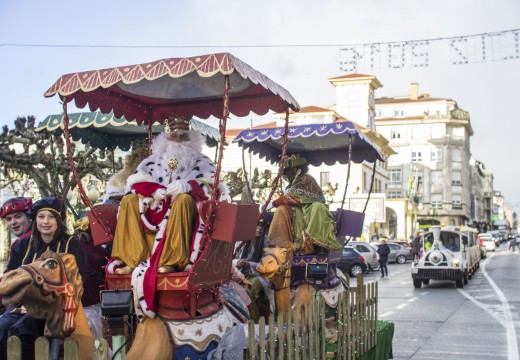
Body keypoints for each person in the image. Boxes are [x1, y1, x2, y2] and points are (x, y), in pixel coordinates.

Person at [107, 116, 228, 318]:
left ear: (192, 139)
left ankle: (172, 260)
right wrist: (153, 190)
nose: (178, 140)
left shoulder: (202, 162)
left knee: (182, 200)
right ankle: (131, 258)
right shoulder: (151, 162)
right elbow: (134, 182)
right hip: (154, 209)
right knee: (128, 201)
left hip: (185, 214)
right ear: (165, 139)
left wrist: (191, 186)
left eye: (183, 136)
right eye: (174, 136)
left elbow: (217, 188)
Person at [0, 197, 86, 360]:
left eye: (51, 217)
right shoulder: (23, 245)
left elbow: (77, 283)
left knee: (21, 330)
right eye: (41, 217)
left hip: (54, 309)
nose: (46, 222)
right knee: (3, 326)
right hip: (21, 307)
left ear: (59, 220)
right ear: (35, 220)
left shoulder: (72, 244)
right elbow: (10, 278)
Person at [266, 154, 340, 255]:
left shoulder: (306, 179)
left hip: (310, 209)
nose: (287, 176)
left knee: (318, 208)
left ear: (295, 169)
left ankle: (318, 244)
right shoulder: (290, 185)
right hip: (297, 211)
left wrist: (273, 203)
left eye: (288, 172)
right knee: (281, 210)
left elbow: (294, 197)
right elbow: (289, 199)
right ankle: (280, 245)